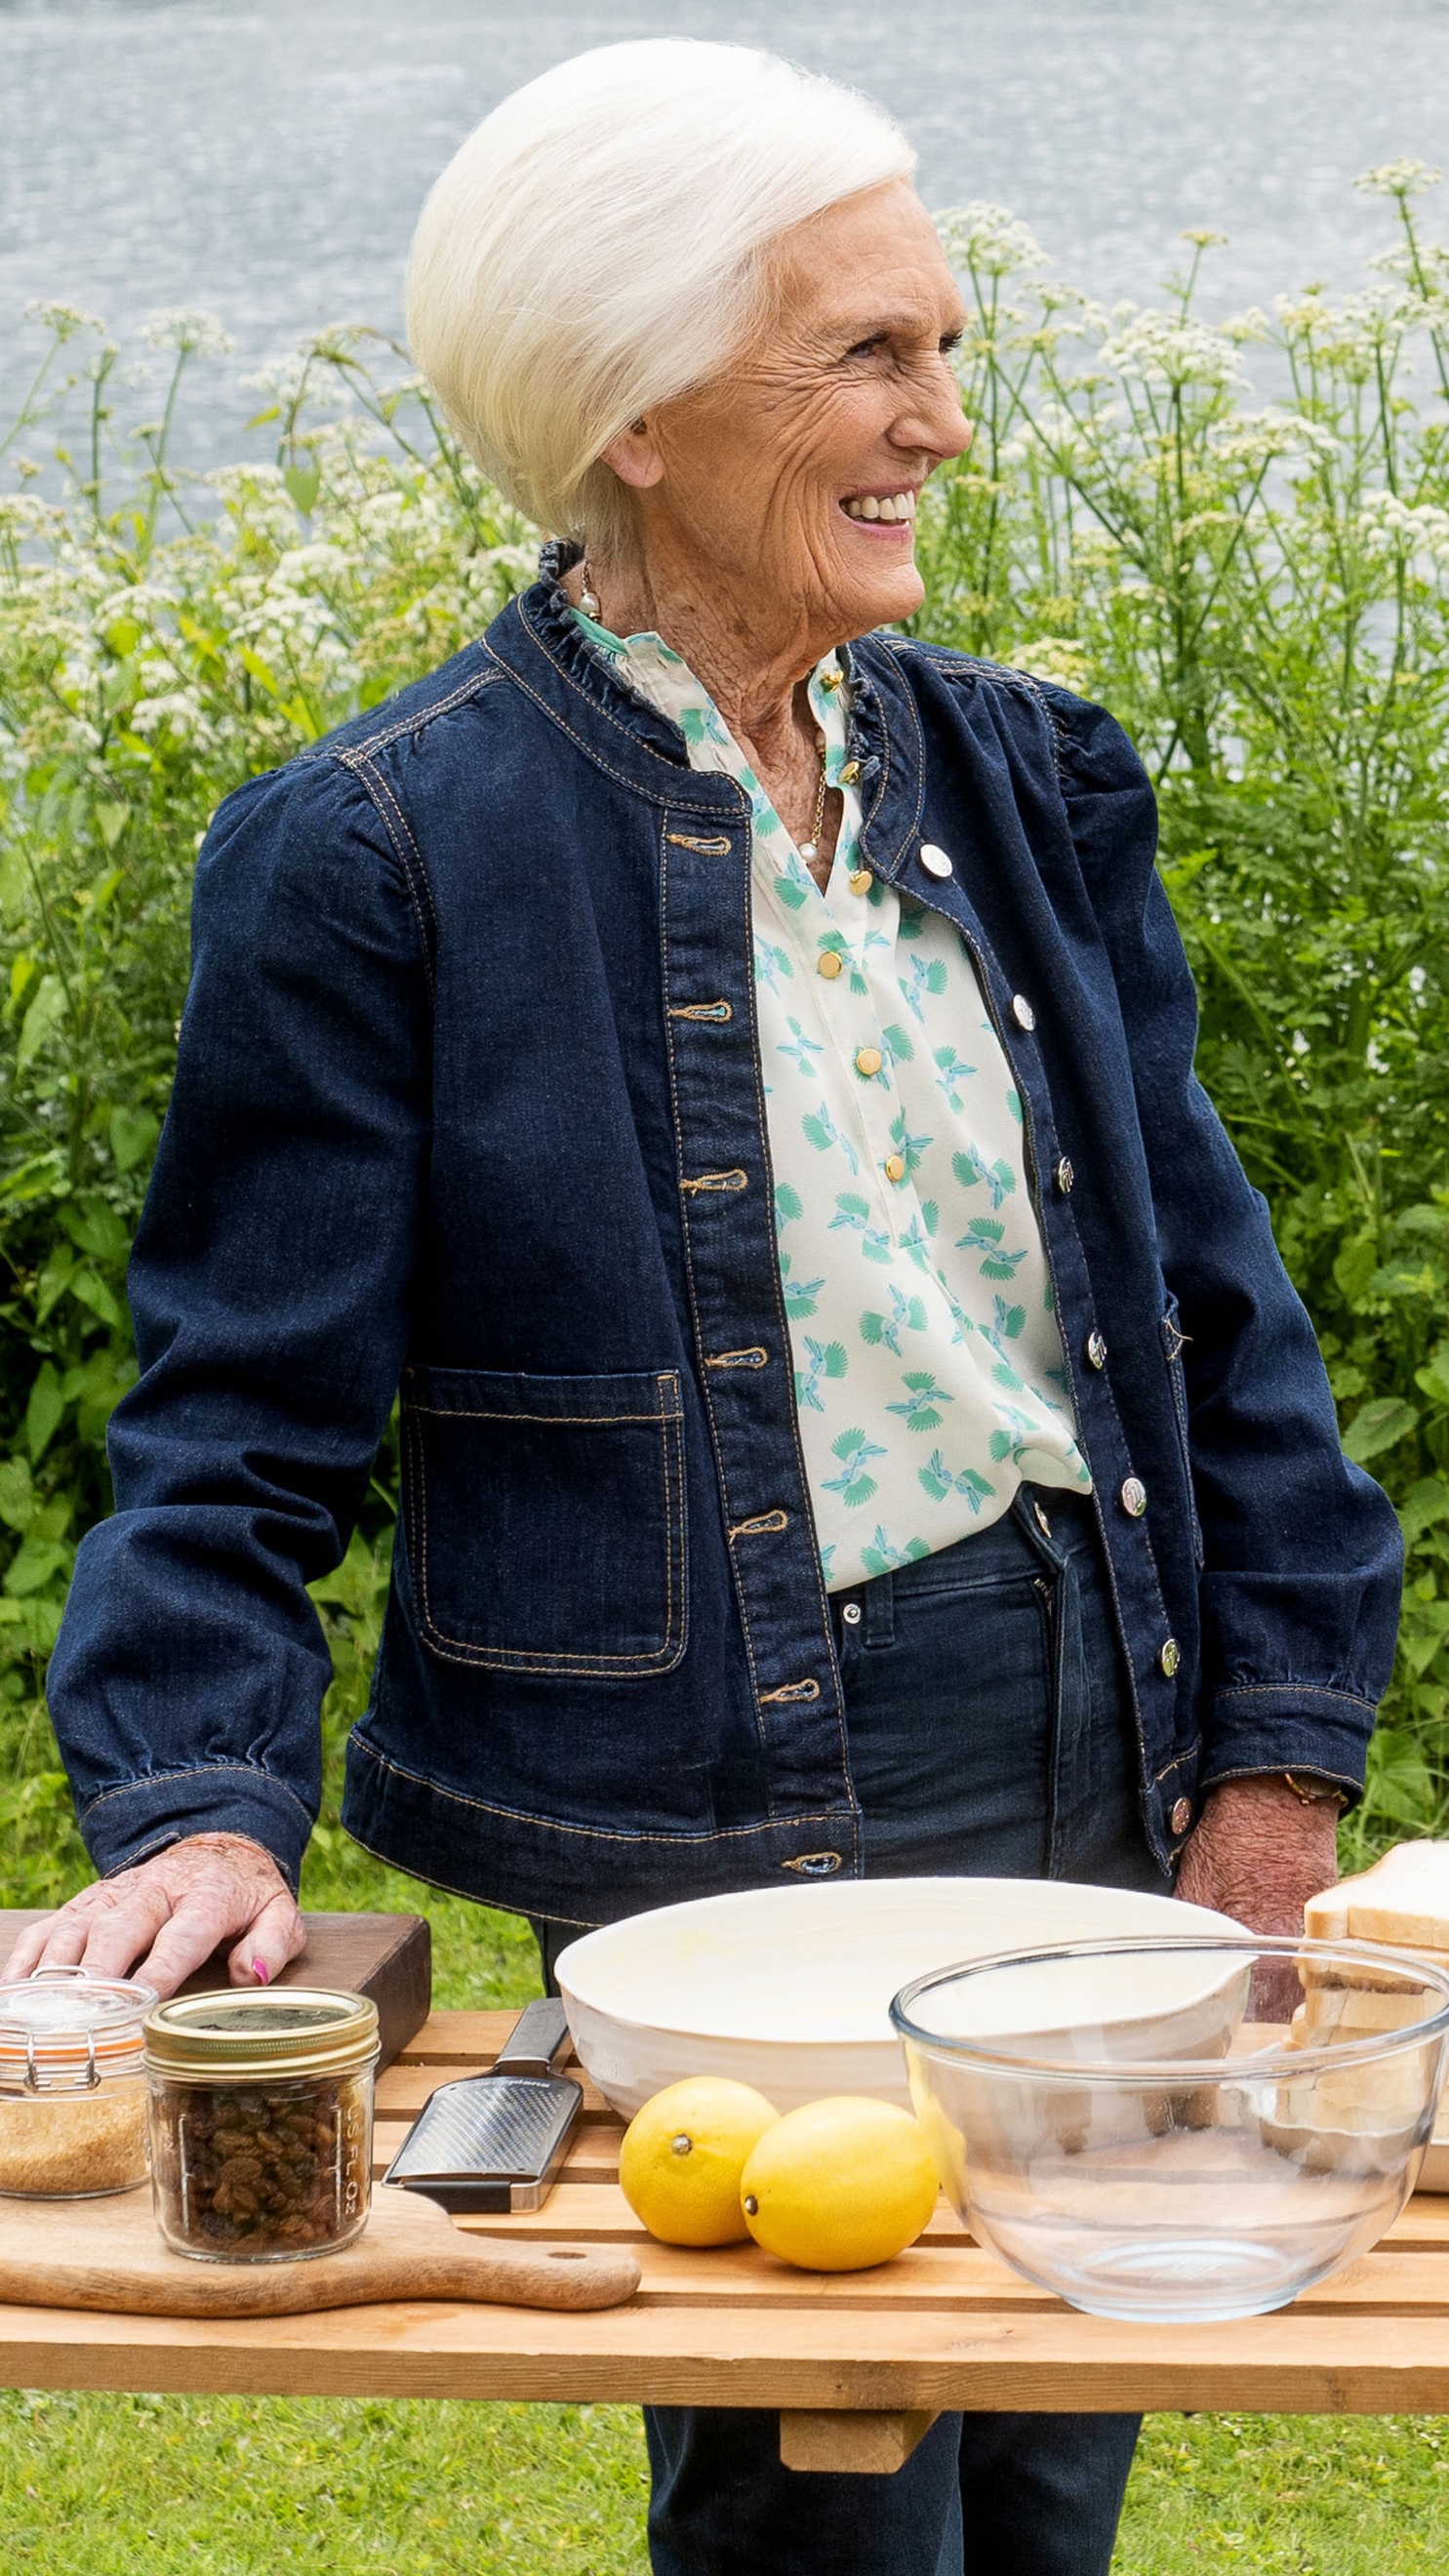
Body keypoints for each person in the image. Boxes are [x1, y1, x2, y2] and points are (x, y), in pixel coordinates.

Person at [15, 40, 1401, 2575]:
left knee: (1054, 2435)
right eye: (868, 356)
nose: (945, 425)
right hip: (731, 1789)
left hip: (1106, 1713)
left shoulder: (1027, 779)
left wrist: (1276, 1773)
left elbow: (1221, 1326)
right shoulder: (376, 854)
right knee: (828, 2495)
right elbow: (232, 1429)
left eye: (947, 348)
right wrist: (197, 1800)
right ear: (635, 402)